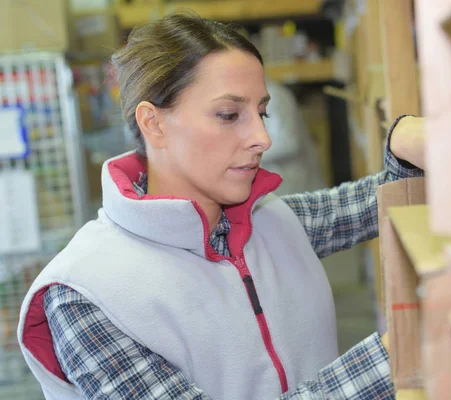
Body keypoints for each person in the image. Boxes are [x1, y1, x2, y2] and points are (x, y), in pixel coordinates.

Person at [17, 14, 425, 400]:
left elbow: (376, 201)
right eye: (230, 115)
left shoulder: (265, 221)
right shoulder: (85, 296)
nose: (262, 137)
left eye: (261, 112)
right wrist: (397, 353)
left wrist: (404, 147)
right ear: (153, 123)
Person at [260, 78, 326, 195]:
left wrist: (246, 153)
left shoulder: (274, 96)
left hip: (297, 185)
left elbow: (288, 143)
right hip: (281, 189)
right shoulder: (253, 100)